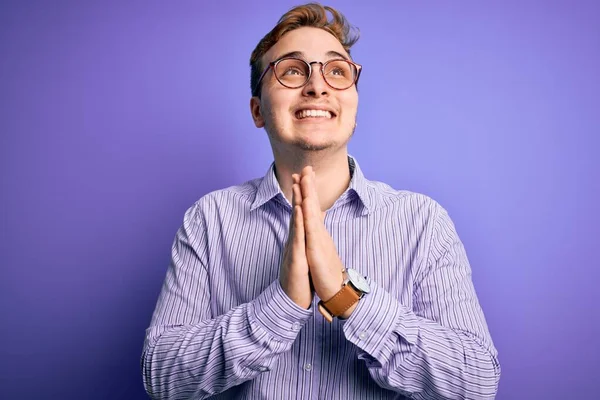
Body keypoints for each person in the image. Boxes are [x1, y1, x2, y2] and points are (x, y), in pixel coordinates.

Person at [141, 3, 501, 399]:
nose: (318, 85)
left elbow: (477, 382)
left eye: (337, 71)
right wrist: (281, 304)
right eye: (293, 70)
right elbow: (161, 378)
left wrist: (349, 299)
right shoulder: (209, 219)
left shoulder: (422, 221)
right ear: (258, 111)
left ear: (353, 108)